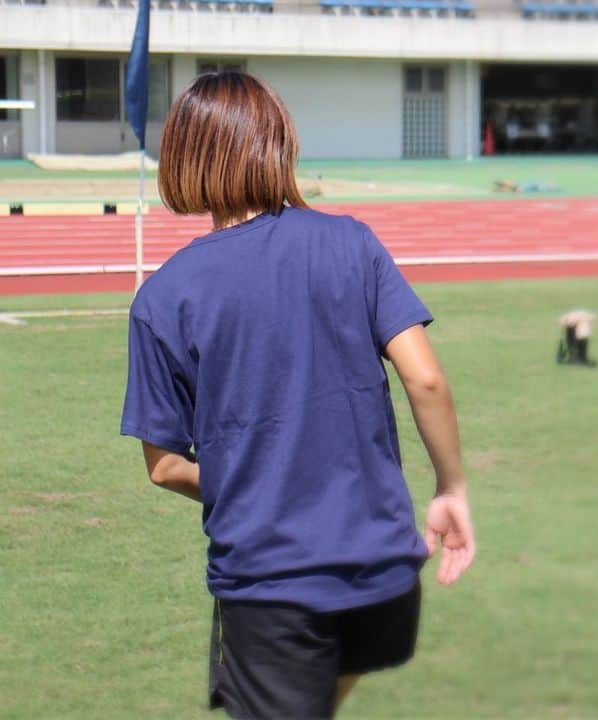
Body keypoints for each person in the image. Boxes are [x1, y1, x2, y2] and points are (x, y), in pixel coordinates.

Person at [120, 72, 475, 718]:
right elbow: (425, 377)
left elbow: (165, 465)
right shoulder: (353, 243)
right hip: (386, 579)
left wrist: (260, 477)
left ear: (181, 159)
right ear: (279, 143)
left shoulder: (163, 299)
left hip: (273, 589)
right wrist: (451, 490)